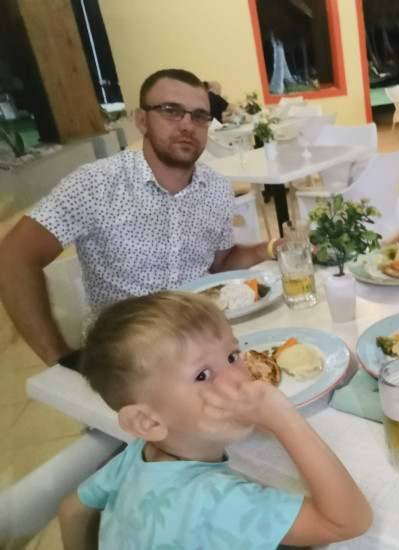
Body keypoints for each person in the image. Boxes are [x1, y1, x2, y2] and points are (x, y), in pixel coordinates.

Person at [0, 68, 283, 367]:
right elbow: (13, 258)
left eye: (199, 116)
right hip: (129, 355)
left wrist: (271, 248)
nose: (187, 125)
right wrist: (59, 359)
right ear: (142, 120)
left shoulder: (216, 188)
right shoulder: (96, 184)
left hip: (204, 336)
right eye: (171, 110)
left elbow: (221, 263)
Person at [58, 291, 373, 549]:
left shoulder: (138, 454)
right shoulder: (214, 502)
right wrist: (283, 419)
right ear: (147, 422)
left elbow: (71, 509)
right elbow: (347, 522)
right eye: (202, 375)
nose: (239, 379)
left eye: (232, 356)